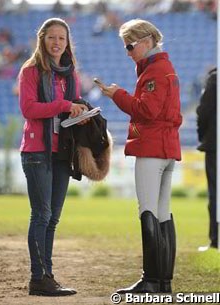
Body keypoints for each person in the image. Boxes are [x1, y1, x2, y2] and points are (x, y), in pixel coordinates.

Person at [98, 19, 182, 293]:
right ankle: (162, 281)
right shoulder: (161, 68)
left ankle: (151, 279)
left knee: (148, 211)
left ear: (146, 42)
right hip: (165, 147)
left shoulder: (156, 71)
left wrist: (117, 95)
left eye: (130, 45)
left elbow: (147, 111)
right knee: (162, 214)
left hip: (152, 148)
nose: (128, 51)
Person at [18, 18, 89, 297]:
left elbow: (73, 104)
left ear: (67, 42)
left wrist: (81, 112)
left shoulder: (71, 74)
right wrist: (63, 105)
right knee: (42, 214)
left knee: (53, 218)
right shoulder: (31, 70)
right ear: (42, 40)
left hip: (62, 152)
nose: (57, 42)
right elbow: (29, 109)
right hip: (37, 151)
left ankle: (47, 275)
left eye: (62, 38)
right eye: (52, 37)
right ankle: (38, 277)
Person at [196, 67, 217, 251]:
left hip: (215, 145)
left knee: (216, 193)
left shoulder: (215, 79)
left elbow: (203, 112)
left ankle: (216, 240)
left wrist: (204, 136)